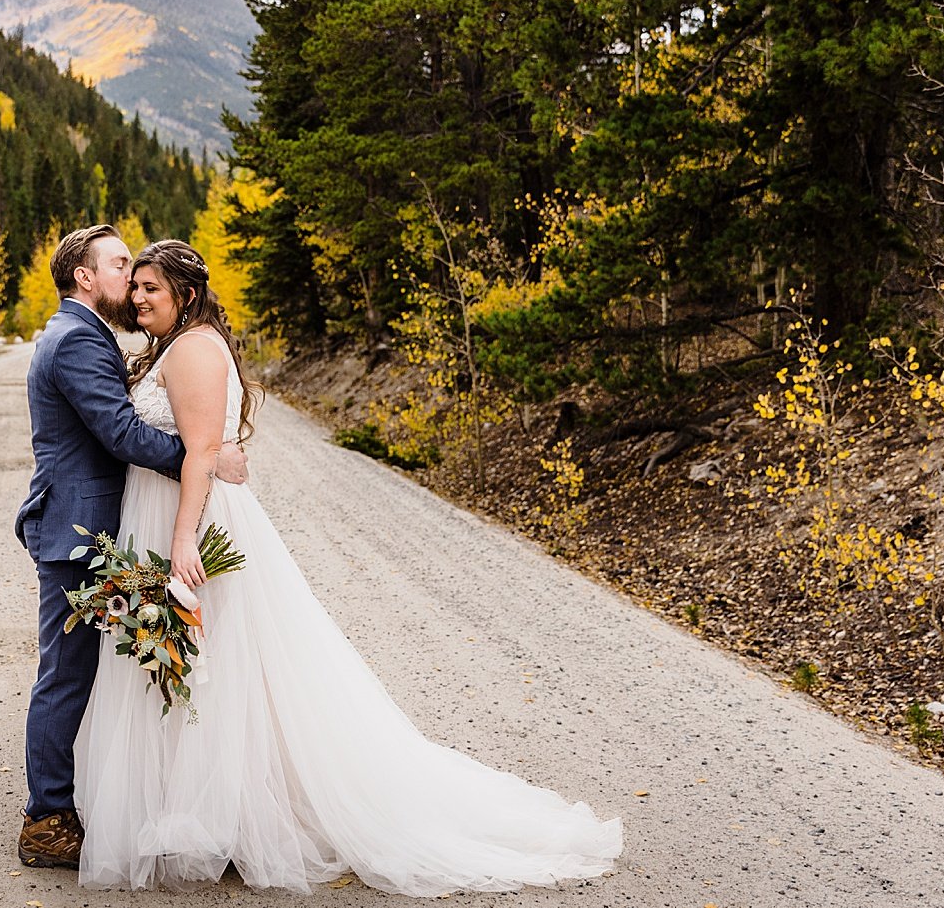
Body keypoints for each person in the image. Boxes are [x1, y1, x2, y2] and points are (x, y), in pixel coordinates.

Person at [72, 239, 624, 895]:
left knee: (211, 661)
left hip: (184, 520)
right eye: (133, 287)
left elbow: (198, 452)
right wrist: (208, 463)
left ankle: (222, 810)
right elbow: (206, 444)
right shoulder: (172, 345)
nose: (137, 298)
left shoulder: (191, 347)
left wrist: (184, 537)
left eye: (150, 289)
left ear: (185, 295)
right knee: (189, 659)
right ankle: (191, 802)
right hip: (162, 511)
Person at [14, 224, 249, 870]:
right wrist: (206, 456)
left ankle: (149, 797)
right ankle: (48, 817)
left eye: (144, 275)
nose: (131, 279)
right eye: (120, 265)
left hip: (94, 524)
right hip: (77, 530)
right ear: (85, 276)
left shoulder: (87, 334)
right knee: (67, 674)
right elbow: (122, 433)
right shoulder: (76, 340)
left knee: (138, 664)